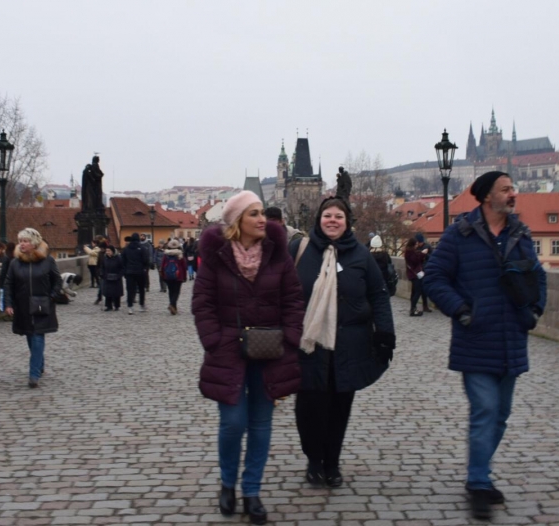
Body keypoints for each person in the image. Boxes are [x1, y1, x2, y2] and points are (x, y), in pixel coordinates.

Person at [423, 171, 546, 520]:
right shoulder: (459, 234)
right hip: (476, 338)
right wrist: (461, 310)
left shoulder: (520, 234)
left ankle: (480, 471)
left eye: (513, 188)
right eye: (505, 189)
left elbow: (538, 275)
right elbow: (434, 277)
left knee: (501, 416)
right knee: (486, 410)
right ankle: (478, 482)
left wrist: (535, 309)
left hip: (512, 339)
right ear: (486, 196)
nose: (513, 194)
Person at [192, 190, 305, 525]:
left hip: (270, 348)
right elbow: (202, 303)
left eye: (262, 213)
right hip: (228, 350)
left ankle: (252, 490)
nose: (262, 219)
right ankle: (228, 483)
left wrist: (291, 336)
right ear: (237, 221)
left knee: (260, 424)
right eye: (254, 213)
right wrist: (213, 340)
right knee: (233, 422)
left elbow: (294, 299)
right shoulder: (217, 256)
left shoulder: (277, 254)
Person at [291, 197, 396, 489]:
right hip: (309, 343)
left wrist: (385, 334)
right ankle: (314, 459)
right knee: (309, 406)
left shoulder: (361, 255)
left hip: (349, 343)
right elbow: (281, 292)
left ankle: (332, 463)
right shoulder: (300, 250)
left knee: (339, 406)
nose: (333, 220)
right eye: (328, 215)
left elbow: (378, 295)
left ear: (347, 222)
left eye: (339, 216)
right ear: (319, 219)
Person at [4, 228, 62, 388]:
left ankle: (33, 374)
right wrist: (8, 304)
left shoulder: (47, 261)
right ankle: (39, 362)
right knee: (30, 337)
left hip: (42, 305)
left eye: (26, 241)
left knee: (37, 336)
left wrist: (51, 297)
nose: (22, 244)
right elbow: (8, 284)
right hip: (22, 306)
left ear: (34, 243)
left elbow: (57, 281)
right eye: (20, 241)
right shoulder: (15, 263)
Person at [121, 233, 149, 314]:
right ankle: (142, 305)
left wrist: (125, 271)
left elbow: (122, 260)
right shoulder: (142, 248)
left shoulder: (126, 249)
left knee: (130, 290)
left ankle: (130, 307)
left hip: (129, 272)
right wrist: (145, 268)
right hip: (140, 272)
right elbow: (145, 260)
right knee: (141, 289)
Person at [404, 235, 431, 316]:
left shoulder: (409, 251)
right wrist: (423, 254)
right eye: (415, 244)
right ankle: (413, 309)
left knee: (414, 291)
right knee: (417, 292)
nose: (417, 245)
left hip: (413, 274)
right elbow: (415, 260)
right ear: (412, 244)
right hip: (415, 274)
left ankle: (413, 308)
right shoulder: (410, 252)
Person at [160, 239, 187, 315]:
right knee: (176, 291)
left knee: (171, 291)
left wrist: (163, 276)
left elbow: (162, 265)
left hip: (168, 276)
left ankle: (174, 308)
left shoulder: (166, 254)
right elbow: (184, 267)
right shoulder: (180, 255)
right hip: (179, 276)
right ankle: (172, 304)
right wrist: (184, 277)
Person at [99, 245, 125, 311]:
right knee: (108, 292)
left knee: (116, 292)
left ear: (112, 251)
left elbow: (122, 268)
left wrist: (119, 275)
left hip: (116, 277)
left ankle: (116, 306)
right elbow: (102, 267)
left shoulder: (118, 258)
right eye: (106, 251)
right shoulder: (105, 258)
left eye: (109, 251)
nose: (107, 252)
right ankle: (108, 306)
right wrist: (102, 274)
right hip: (107, 277)